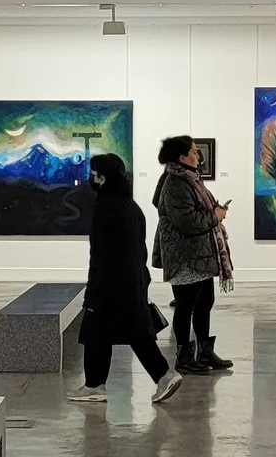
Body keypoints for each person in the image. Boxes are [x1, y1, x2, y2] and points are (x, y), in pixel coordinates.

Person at [69, 152, 185, 406]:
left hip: (111, 283)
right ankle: (96, 384)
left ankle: (161, 375)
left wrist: (95, 286)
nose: (90, 177)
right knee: (118, 332)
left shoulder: (105, 207)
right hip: (131, 280)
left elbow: (100, 253)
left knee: (102, 331)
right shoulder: (131, 207)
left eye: (93, 173)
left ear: (101, 177)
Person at [152, 133, 234, 374]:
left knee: (205, 301)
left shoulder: (189, 179)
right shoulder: (175, 184)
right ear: (182, 157)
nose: (199, 156)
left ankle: (204, 352)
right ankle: (185, 356)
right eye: (195, 152)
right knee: (186, 305)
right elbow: (187, 221)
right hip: (185, 256)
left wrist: (214, 211)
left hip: (198, 253)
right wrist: (215, 217)